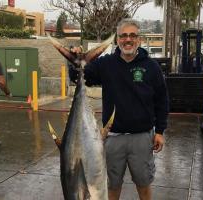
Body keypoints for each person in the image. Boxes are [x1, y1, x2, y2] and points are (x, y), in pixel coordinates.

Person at [69, 18, 169, 200]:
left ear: (139, 39)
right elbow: (80, 78)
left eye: (132, 35)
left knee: (144, 185)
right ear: (117, 40)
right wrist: (74, 62)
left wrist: (160, 131)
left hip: (142, 137)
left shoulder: (151, 66)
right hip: (112, 138)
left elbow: (162, 100)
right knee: (111, 186)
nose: (128, 40)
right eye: (123, 36)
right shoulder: (105, 64)